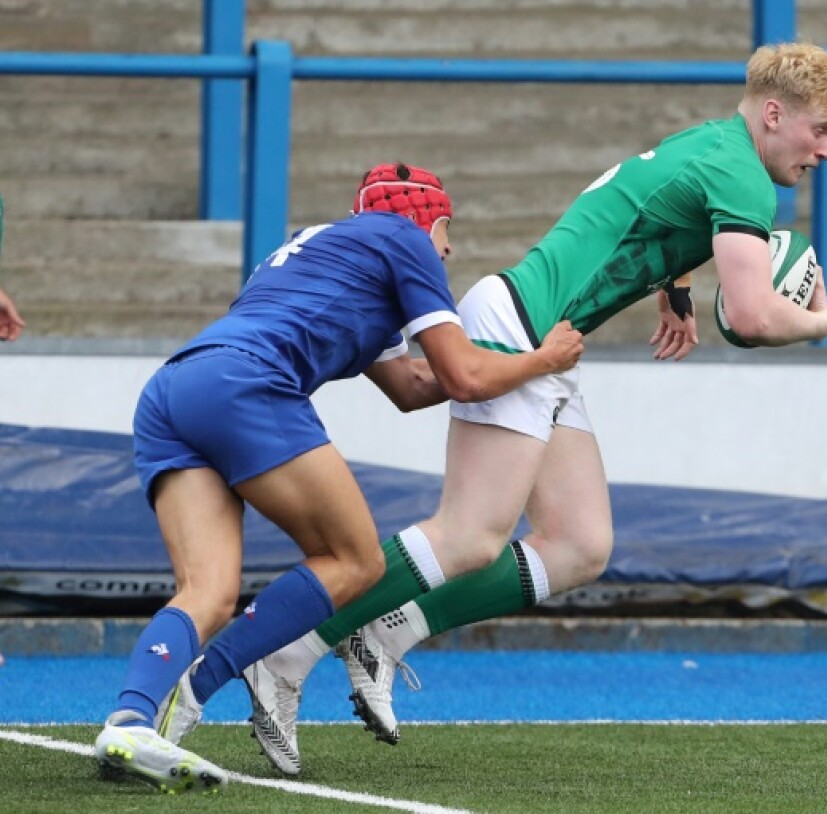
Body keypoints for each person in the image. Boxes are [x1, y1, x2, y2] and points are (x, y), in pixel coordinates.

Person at [164, 41, 827, 775]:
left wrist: (676, 287)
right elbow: (751, 318)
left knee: (579, 544)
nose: (824, 150)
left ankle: (388, 632)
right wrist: (820, 320)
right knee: (469, 536)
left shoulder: (716, 143)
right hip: (525, 327)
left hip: (540, 328)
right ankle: (288, 650)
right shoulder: (745, 178)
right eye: (821, 130)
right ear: (776, 113)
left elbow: (657, 207)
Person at [92, 162, 585, 793]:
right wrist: (542, 360)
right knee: (356, 559)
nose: (449, 246)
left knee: (208, 591)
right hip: (248, 386)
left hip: (175, 389)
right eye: (445, 228)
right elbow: (463, 377)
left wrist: (504, 367)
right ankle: (203, 687)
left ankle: (131, 720)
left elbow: (411, 386)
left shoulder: (324, 247)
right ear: (420, 218)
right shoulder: (404, 240)